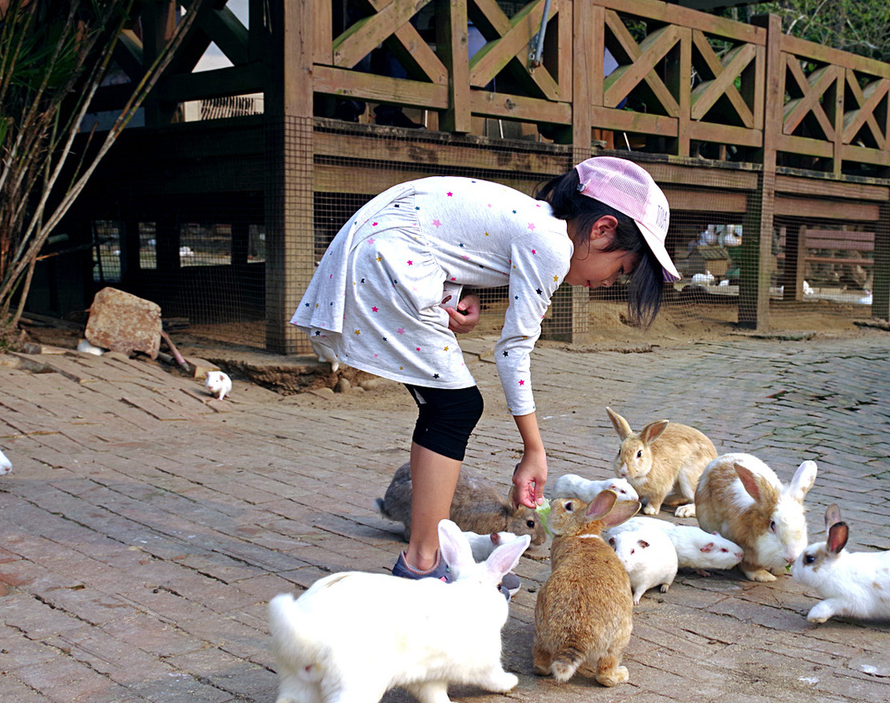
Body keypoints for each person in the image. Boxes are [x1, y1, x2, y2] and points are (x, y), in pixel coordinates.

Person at [290, 157, 679, 584]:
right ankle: (423, 564)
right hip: (385, 257)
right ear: (602, 229)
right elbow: (513, 349)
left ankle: (426, 557)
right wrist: (533, 450)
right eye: (620, 269)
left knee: (447, 406)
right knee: (456, 406)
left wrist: (454, 294)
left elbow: (451, 239)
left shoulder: (538, 223)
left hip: (390, 250)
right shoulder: (551, 243)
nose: (608, 283)